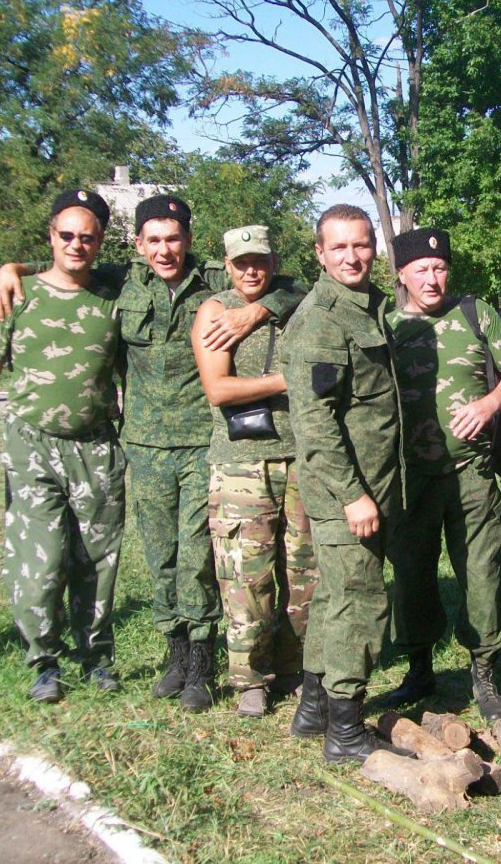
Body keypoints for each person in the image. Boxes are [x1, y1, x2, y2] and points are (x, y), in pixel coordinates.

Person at [0, 194, 304, 712]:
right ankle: (175, 654)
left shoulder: (213, 283)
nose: (165, 250)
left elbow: (291, 287)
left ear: (188, 241)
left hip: (201, 441)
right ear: (138, 244)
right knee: (161, 557)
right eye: (154, 240)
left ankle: (202, 663)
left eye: (174, 238)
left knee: (199, 555)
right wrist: (11, 268)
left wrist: (255, 311)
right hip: (144, 445)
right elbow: (67, 262)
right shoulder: (121, 281)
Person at [0, 189, 125, 703]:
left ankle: (97, 656)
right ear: (51, 237)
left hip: (96, 448)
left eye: (88, 237)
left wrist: (13, 261)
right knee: (40, 562)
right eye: (66, 235)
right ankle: (45, 662)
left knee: (98, 562)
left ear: (100, 242)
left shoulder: (113, 294)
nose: (77, 245)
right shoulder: (19, 294)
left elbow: (162, 263)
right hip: (32, 445)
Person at [382, 227, 501, 720]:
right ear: (401, 274)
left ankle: (484, 673)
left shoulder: (474, 312)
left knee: (482, 572)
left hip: (472, 472)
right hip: (409, 477)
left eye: (440, 268)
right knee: (412, 573)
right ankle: (420, 669)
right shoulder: (384, 322)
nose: (432, 278)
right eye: (421, 270)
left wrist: (490, 403)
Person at [281, 204, 410, 764]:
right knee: (359, 602)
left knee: (334, 597)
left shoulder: (370, 307)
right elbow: (315, 424)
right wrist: (353, 495)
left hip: (373, 483)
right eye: (339, 248)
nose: (352, 257)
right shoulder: (320, 322)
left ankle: (313, 710)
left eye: (361, 245)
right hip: (347, 493)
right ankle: (346, 730)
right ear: (319, 253)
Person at [192, 225, 315, 718]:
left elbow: (309, 290)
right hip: (242, 462)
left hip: (301, 456)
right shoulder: (214, 310)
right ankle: (250, 677)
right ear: (226, 263)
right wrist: (292, 380)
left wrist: (261, 309)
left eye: (259, 260)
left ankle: (298, 665)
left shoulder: (293, 300)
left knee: (305, 571)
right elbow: (219, 390)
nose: (251, 270)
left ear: (274, 258)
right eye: (241, 261)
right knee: (246, 576)